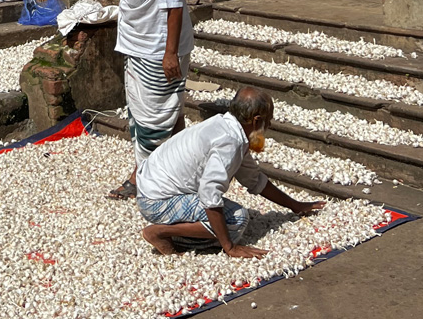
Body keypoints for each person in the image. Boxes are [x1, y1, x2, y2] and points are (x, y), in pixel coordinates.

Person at [137, 85, 324, 257]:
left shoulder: (227, 128)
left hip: (151, 189)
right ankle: (161, 232)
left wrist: (295, 205)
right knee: (237, 220)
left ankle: (180, 230)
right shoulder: (230, 142)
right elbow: (209, 194)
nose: (270, 126)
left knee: (230, 219)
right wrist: (230, 247)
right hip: (156, 201)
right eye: (268, 121)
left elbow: (254, 179)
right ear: (257, 121)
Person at [100, 0, 193, 200]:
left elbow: (173, 6)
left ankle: (143, 177)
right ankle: (185, 167)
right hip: (138, 49)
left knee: (154, 120)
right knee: (161, 114)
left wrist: (170, 54)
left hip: (157, 51)